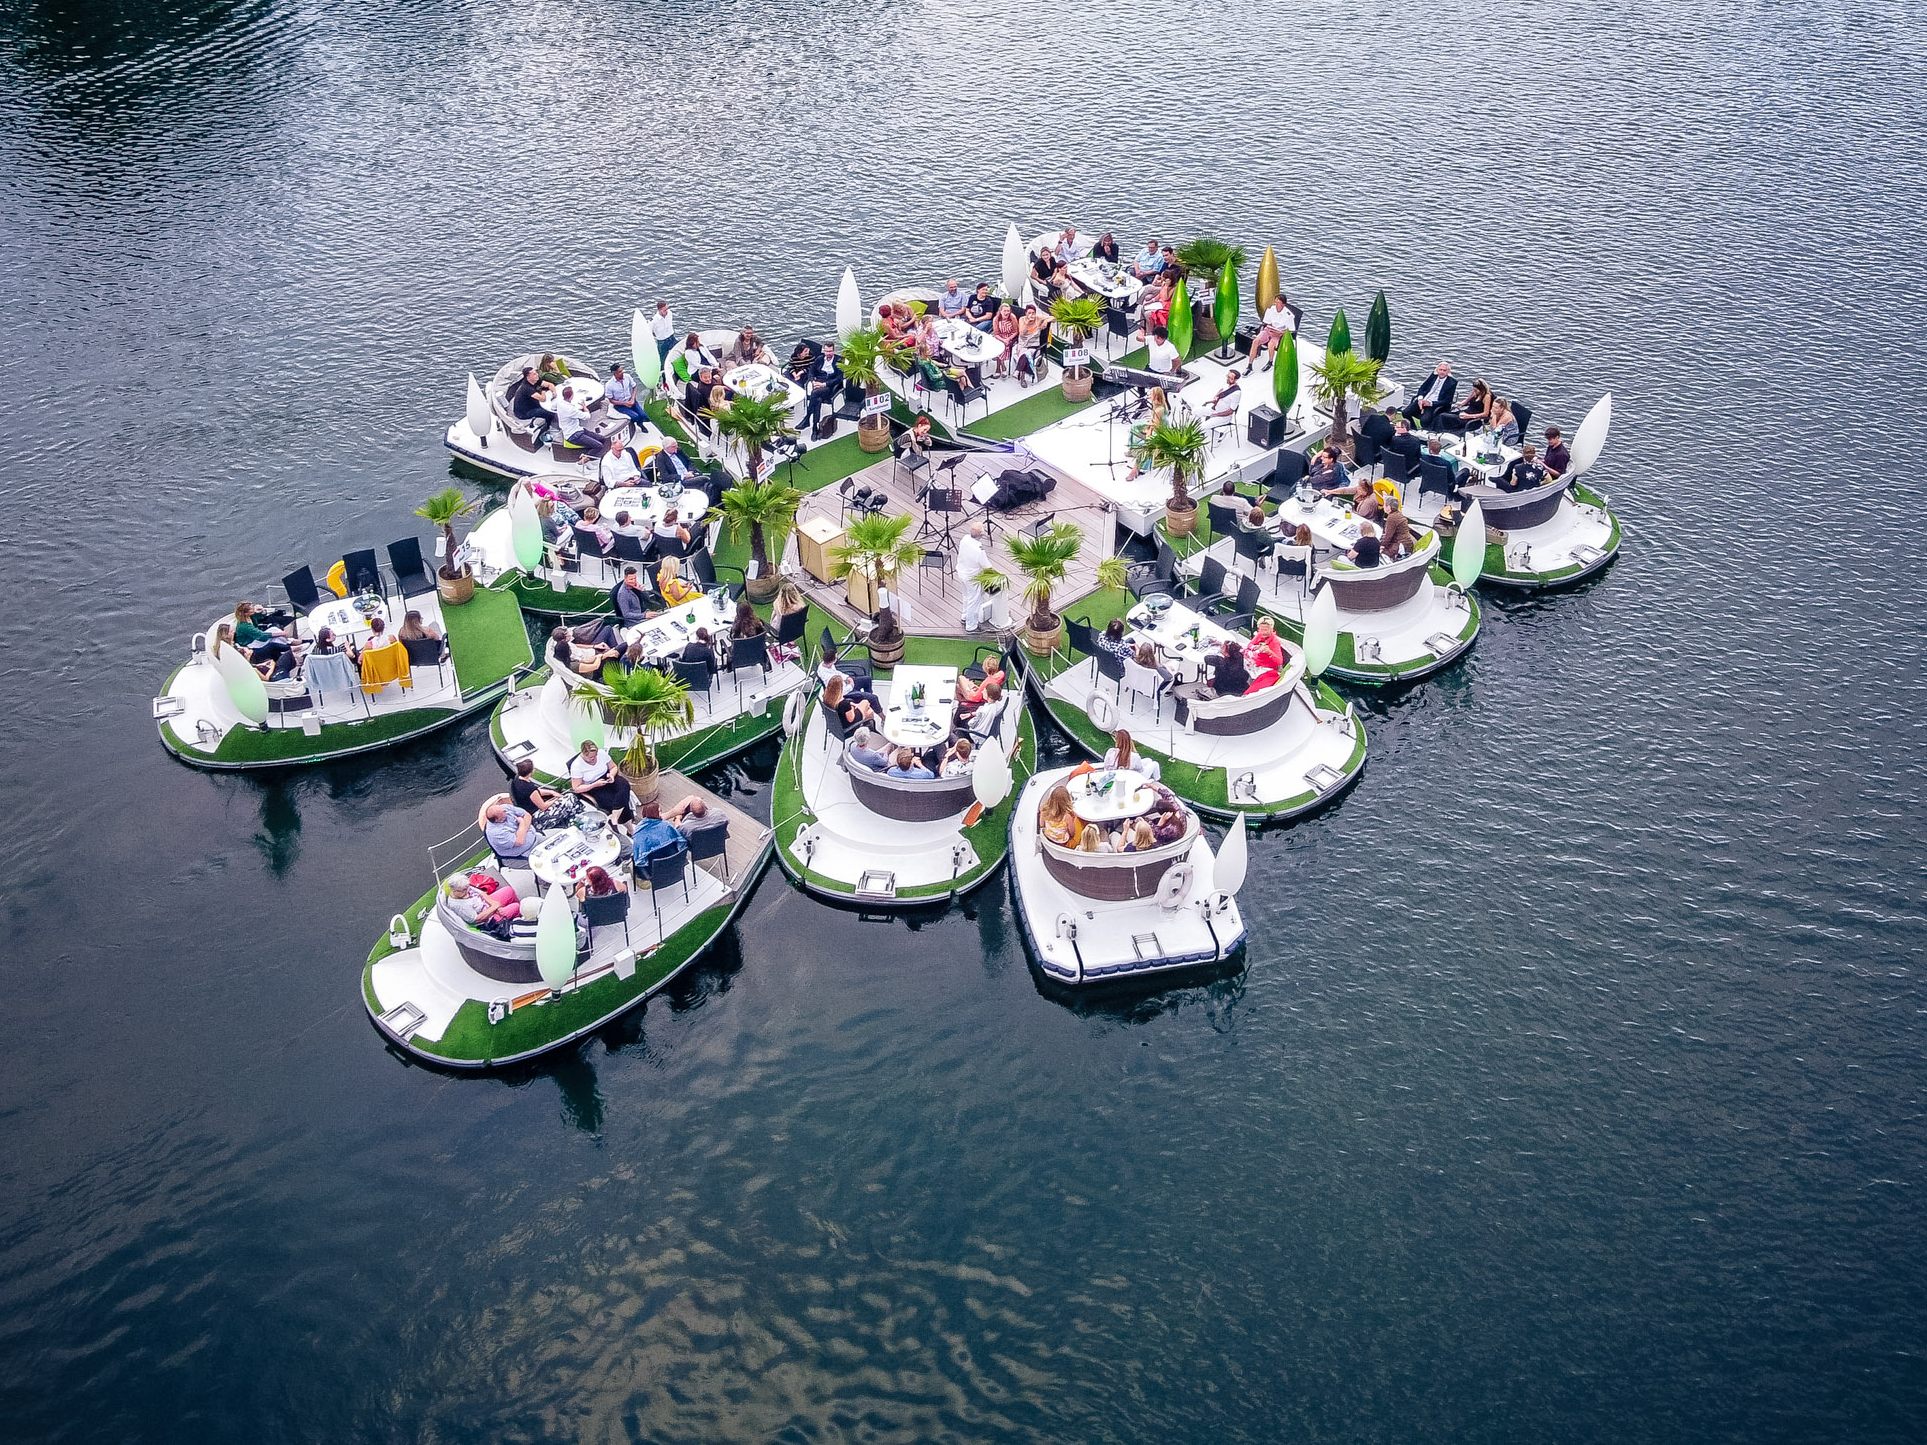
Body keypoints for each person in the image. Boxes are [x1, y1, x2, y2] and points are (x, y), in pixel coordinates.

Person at [569, 740, 634, 825]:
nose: (594, 759)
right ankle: (628, 827)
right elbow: (576, 788)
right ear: (584, 754)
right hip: (593, 786)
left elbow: (613, 767)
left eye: (595, 756)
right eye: (591, 757)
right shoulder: (577, 766)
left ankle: (614, 817)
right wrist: (594, 785)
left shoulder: (602, 754)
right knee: (615, 802)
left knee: (625, 785)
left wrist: (611, 775)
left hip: (607, 777)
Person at [444, 873, 518, 931]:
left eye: (467, 888)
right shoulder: (459, 906)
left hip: (487, 905)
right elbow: (476, 919)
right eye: (463, 890)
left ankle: (512, 915)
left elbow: (482, 893)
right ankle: (517, 923)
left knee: (508, 890)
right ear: (454, 890)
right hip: (488, 920)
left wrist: (494, 904)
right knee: (516, 906)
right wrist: (494, 907)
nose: (467, 891)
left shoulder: (463, 886)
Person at [553, 384, 610, 457]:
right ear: (572, 396)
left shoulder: (559, 402)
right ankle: (583, 461)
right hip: (573, 435)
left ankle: (591, 457)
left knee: (602, 439)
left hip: (578, 429)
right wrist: (584, 407)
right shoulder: (571, 410)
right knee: (599, 446)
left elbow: (553, 407)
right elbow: (587, 416)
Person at [799, 342, 843, 434]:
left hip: (830, 386)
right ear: (824, 351)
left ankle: (807, 418)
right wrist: (813, 381)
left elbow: (839, 379)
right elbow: (811, 371)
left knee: (814, 393)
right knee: (817, 400)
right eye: (826, 351)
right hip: (818, 382)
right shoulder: (819, 359)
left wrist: (824, 385)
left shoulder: (839, 361)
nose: (828, 353)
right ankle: (814, 428)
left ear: (834, 351)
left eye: (830, 351)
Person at [955, 520, 990, 631]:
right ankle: (971, 625)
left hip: (961, 573)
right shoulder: (979, 549)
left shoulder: (964, 539)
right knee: (974, 600)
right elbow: (986, 565)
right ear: (981, 534)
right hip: (972, 577)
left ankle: (964, 616)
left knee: (966, 596)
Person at [1248, 294, 1296, 370]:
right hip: (1269, 330)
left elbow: (1291, 330)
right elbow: (1267, 322)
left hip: (1279, 333)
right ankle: (1250, 365)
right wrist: (1270, 327)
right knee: (1256, 341)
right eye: (1275, 301)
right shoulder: (1271, 310)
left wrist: (1280, 333)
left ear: (1283, 304)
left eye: (1278, 302)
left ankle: (1270, 362)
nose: (1276, 303)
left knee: (1271, 345)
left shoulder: (1288, 315)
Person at [1405, 362, 1457, 428]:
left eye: (1444, 370)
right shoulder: (1433, 376)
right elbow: (1422, 387)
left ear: (1448, 372)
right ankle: (1413, 428)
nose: (1442, 372)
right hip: (1423, 399)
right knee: (1405, 412)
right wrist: (1420, 398)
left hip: (1434, 404)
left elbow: (1447, 400)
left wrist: (1430, 403)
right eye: (1440, 370)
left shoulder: (1452, 383)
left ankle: (1426, 430)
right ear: (1437, 370)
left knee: (1424, 420)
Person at [483, 800, 537, 864]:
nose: (505, 811)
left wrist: (522, 831)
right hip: (523, 853)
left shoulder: (505, 808)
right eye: (503, 813)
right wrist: (522, 823)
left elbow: (527, 815)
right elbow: (520, 842)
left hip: (535, 837)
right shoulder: (495, 832)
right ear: (497, 820)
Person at [507, 364, 555, 432]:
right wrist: (543, 391)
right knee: (549, 413)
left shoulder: (536, 380)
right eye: (534, 374)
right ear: (528, 377)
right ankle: (548, 427)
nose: (537, 375)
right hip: (523, 412)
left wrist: (554, 392)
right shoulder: (526, 388)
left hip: (531, 403)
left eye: (536, 373)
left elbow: (550, 384)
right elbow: (543, 399)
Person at [989, 302, 1020, 377]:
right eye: (1005, 311)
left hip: (1010, 336)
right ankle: (1002, 366)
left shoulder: (1012, 317)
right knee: (997, 345)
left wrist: (1008, 339)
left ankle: (998, 368)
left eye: (1008, 311)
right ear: (1000, 311)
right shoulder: (996, 319)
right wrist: (1003, 340)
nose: (1007, 313)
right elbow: (996, 334)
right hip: (999, 336)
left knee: (1002, 347)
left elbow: (1016, 331)